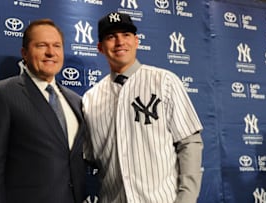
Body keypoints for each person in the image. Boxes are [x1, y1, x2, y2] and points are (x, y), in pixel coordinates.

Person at [82, 12, 204, 203]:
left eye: (126, 35)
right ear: (100, 47)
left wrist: (186, 198)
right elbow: (87, 159)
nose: (120, 42)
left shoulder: (164, 82)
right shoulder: (90, 99)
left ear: (137, 41)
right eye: (111, 37)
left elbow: (189, 144)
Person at [0, 19, 86, 203]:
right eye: (41, 45)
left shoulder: (75, 100)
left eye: (56, 46)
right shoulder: (2, 95)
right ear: (24, 53)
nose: (51, 52)